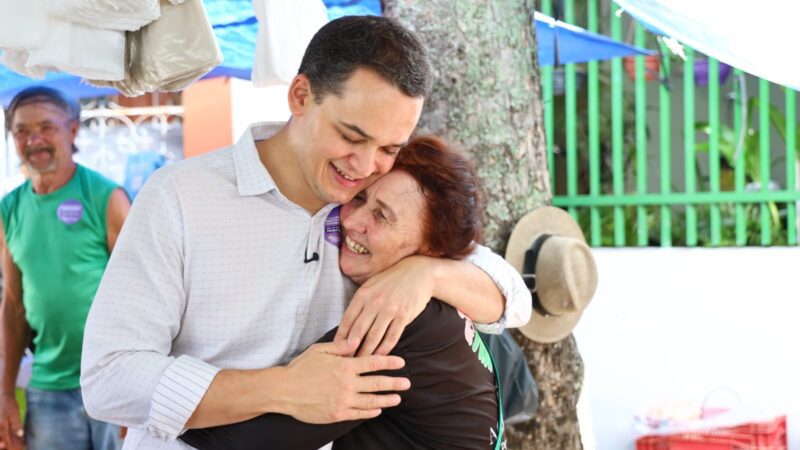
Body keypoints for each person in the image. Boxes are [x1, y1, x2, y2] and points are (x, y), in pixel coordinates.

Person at [81, 16, 530, 449]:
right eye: (351, 137)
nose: (366, 165)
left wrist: (426, 275)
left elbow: (514, 300)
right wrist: (279, 388)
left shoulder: (377, 196)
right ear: (300, 95)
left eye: (389, 148)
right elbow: (108, 380)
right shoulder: (179, 196)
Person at [181, 136, 507, 450]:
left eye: (382, 216)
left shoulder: (395, 320)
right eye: (361, 198)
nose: (353, 222)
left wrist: (163, 392)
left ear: (430, 249)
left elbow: (248, 441)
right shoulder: (439, 305)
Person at [0, 86, 131, 450]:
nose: (34, 140)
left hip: (111, 381)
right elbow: (13, 305)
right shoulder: (8, 210)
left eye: (46, 127)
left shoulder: (106, 198)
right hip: (49, 388)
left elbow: (145, 296)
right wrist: (6, 393)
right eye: (22, 130)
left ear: (72, 131)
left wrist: (135, 383)